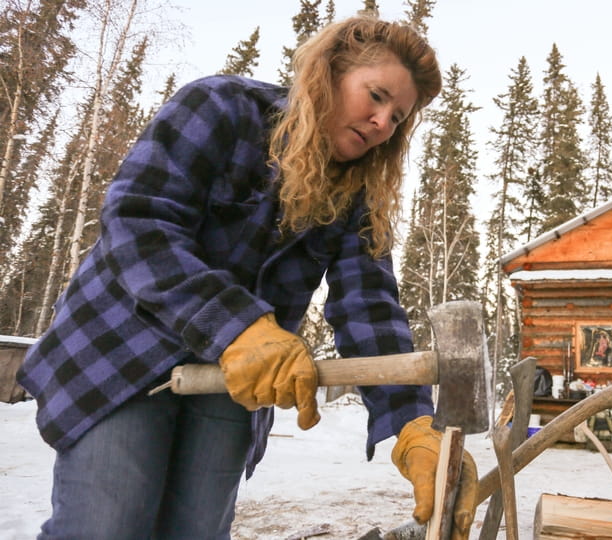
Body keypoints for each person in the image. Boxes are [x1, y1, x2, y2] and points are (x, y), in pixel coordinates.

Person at [16, 16, 477, 540]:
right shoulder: (218, 108)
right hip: (122, 351)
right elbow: (140, 222)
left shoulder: (358, 191)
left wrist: (411, 424)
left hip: (237, 383)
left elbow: (367, 305)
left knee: (196, 531)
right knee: (108, 525)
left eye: (398, 117)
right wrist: (239, 326)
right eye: (375, 96)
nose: (381, 123)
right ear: (327, 73)